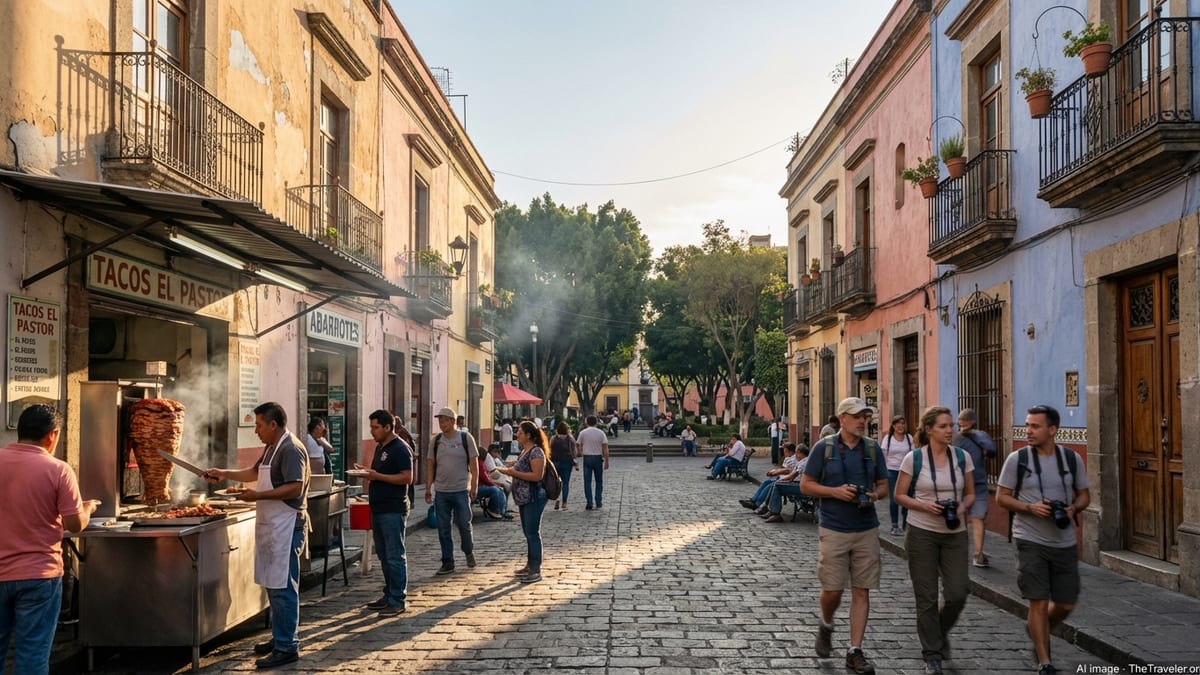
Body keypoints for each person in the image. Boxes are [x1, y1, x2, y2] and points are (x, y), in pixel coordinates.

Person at [206, 402, 310, 668]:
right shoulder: (271, 447)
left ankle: (287, 646)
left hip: (286, 526)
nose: (256, 430)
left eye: (259, 425)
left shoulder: (290, 449)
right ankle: (280, 638)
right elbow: (253, 473)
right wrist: (224, 473)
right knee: (274, 587)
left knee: (283, 589)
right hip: (273, 526)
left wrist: (257, 496)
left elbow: (294, 488)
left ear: (273, 424)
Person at [0, 405, 99, 675]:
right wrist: (87, 508)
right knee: (32, 656)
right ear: (52, 435)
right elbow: (74, 525)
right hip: (39, 576)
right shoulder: (58, 470)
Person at [997, 405, 1090, 675]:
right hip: (1029, 539)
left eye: (1035, 426)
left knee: (1065, 603)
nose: (1028, 430)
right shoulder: (1018, 459)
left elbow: (1085, 495)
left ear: (1052, 430)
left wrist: (1074, 508)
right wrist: (1030, 508)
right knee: (1037, 600)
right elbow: (1001, 498)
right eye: (1027, 425)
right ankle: (1044, 661)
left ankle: (1037, 628)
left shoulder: (1071, 459)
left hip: (1064, 541)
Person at [800, 397, 888, 675]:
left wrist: (875, 495)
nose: (863, 420)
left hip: (866, 527)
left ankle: (855, 650)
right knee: (833, 590)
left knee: (862, 589)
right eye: (857, 416)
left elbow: (884, 484)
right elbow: (806, 485)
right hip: (834, 527)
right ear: (842, 418)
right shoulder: (823, 449)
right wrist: (835, 492)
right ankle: (826, 623)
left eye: (866, 416)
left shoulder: (873, 449)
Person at [894, 406, 975, 675]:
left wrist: (962, 508)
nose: (950, 430)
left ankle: (938, 633)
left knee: (957, 593)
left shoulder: (963, 457)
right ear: (929, 430)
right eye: (943, 426)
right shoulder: (914, 459)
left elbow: (972, 494)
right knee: (926, 597)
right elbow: (899, 496)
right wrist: (924, 507)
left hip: (955, 534)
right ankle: (932, 654)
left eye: (951, 425)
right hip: (921, 533)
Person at [355, 410, 413, 616]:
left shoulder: (400, 448)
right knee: (384, 556)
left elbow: (407, 477)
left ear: (388, 427)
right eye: (371, 427)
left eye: (375, 427)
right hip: (378, 508)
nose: (372, 431)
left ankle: (398, 599)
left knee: (395, 555)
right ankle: (389, 594)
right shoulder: (381, 447)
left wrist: (376, 475)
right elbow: (380, 475)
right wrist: (368, 472)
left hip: (393, 509)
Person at [425, 407, 479, 575]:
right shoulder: (436, 440)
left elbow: (474, 465)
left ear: (452, 421)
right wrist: (428, 487)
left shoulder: (465, 438)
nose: (441, 424)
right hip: (441, 491)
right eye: (439, 421)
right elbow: (430, 465)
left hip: (461, 489)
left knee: (464, 523)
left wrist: (474, 486)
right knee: (443, 528)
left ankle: (468, 550)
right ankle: (448, 561)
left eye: (444, 420)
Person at [496, 421, 549, 583]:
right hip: (524, 497)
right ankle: (530, 564)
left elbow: (537, 476)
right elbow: (520, 469)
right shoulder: (525, 451)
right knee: (528, 532)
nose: (517, 434)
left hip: (534, 496)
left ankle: (535, 569)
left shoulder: (536, 452)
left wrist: (514, 473)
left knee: (533, 533)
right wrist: (504, 469)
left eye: (520, 432)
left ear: (528, 435)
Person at [954, 408, 997, 568]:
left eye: (963, 420)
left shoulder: (979, 435)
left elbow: (992, 450)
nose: (961, 422)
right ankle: (967, 550)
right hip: (959, 483)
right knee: (963, 516)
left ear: (972, 421)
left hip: (976, 481)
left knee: (977, 517)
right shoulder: (955, 437)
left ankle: (978, 553)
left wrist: (972, 435)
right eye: (960, 419)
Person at [758, 444, 811, 520]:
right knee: (776, 484)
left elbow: (792, 476)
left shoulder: (803, 463)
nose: (795, 455)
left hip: (802, 487)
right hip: (802, 484)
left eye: (796, 453)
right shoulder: (806, 461)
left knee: (777, 485)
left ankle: (774, 512)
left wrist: (781, 480)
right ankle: (770, 509)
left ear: (799, 452)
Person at [740, 442, 799, 510]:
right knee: (766, 482)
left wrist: (774, 472)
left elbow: (786, 470)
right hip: (782, 477)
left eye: (785, 451)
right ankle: (753, 500)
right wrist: (775, 471)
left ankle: (757, 504)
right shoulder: (789, 458)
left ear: (791, 452)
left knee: (769, 486)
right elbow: (783, 469)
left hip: (786, 479)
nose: (784, 453)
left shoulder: (792, 459)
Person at [881, 415, 913, 536]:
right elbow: (884, 456)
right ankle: (894, 525)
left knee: (907, 498)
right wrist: (883, 472)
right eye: (898, 424)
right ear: (893, 426)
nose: (901, 426)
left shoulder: (909, 438)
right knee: (894, 499)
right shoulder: (888, 439)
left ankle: (905, 525)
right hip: (892, 471)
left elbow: (912, 454)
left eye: (903, 423)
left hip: (906, 472)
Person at [576, 415, 609, 510]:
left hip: (587, 457)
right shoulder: (601, 433)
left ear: (587, 422)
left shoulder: (583, 432)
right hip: (598, 457)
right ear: (596, 422)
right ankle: (598, 501)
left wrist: (580, 451)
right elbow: (605, 448)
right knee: (599, 481)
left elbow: (578, 443)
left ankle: (589, 502)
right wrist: (606, 461)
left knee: (587, 481)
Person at [474, 445, 511, 520]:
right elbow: (484, 477)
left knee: (502, 488)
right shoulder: (479, 463)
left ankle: (501, 510)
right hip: (478, 486)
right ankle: (495, 511)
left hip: (481, 484)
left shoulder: (481, 462)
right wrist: (495, 484)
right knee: (497, 490)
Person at [549, 421, 577, 511]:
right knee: (566, 483)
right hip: (567, 462)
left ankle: (557, 499)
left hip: (555, 462)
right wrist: (574, 461)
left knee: (556, 482)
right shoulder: (570, 438)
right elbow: (574, 451)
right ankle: (564, 503)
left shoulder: (554, 438)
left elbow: (549, 449)